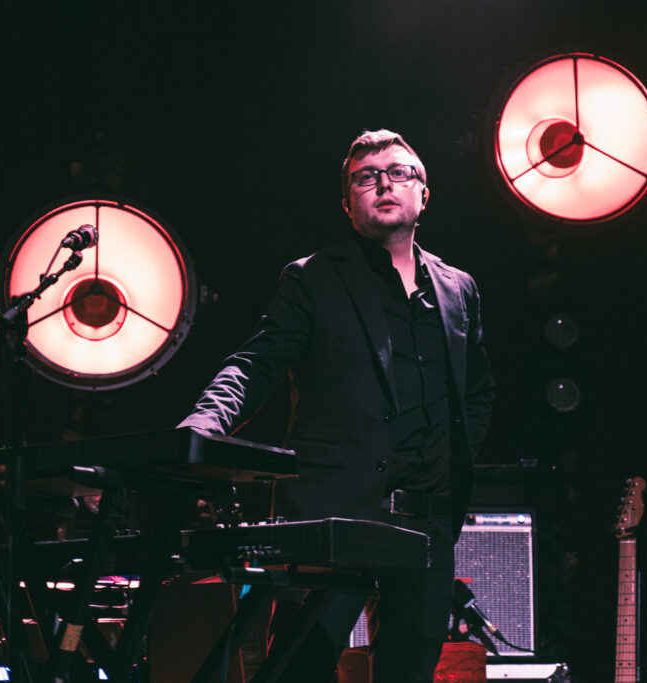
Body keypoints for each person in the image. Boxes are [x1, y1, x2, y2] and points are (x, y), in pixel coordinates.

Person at [178, 129, 496, 682]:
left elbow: (477, 391)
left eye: (398, 173)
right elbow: (256, 364)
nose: (383, 184)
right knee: (299, 668)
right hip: (331, 514)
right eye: (365, 178)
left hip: (424, 524)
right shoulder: (313, 278)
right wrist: (203, 424)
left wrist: (448, 466)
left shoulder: (458, 288)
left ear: (424, 194)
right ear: (348, 205)